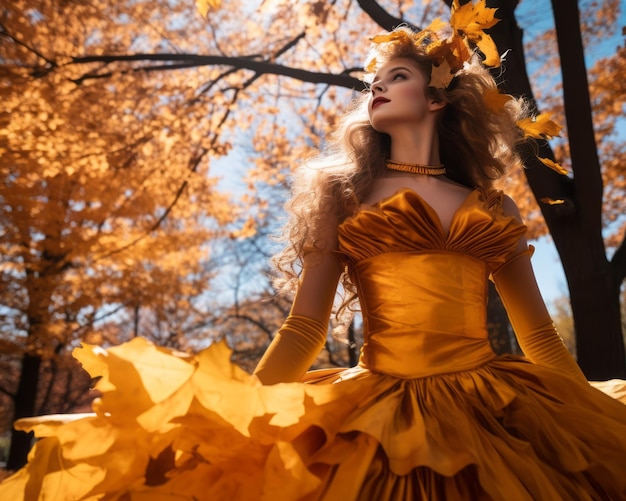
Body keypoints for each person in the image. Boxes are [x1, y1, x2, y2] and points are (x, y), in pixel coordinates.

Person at [1, 2, 625, 500]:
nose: (375, 89)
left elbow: (539, 338)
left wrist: (593, 412)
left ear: (436, 98)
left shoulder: (495, 207)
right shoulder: (343, 192)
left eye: (396, 78)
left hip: (493, 411)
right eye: (373, 82)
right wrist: (234, 413)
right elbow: (305, 327)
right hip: (377, 408)